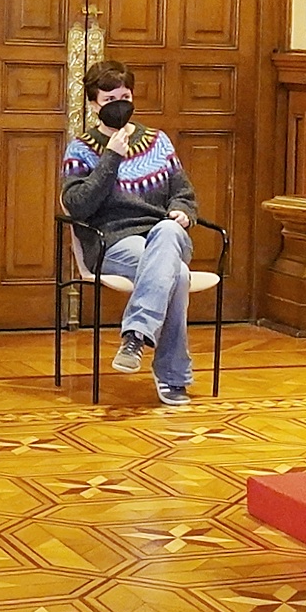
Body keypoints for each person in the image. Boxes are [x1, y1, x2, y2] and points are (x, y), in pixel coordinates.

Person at [62, 61, 202, 407]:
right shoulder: (81, 149)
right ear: (93, 104)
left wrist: (183, 211)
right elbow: (78, 205)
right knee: (177, 275)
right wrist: (111, 157)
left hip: (166, 235)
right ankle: (172, 376)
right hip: (114, 241)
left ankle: (136, 333)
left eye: (124, 97)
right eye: (109, 99)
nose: (119, 104)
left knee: (167, 230)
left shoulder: (158, 141)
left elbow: (183, 193)